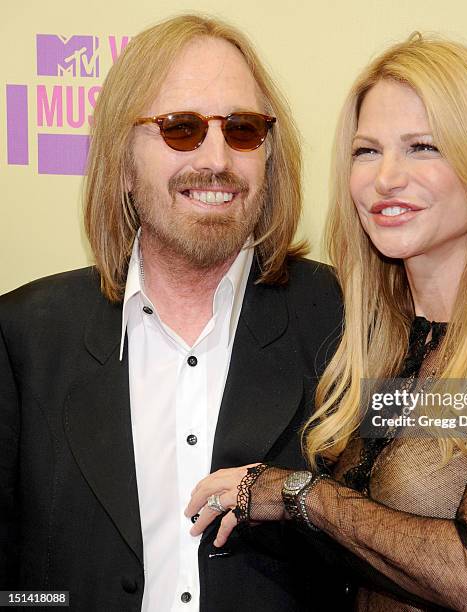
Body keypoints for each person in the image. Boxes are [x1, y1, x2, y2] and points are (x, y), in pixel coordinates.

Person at [186, 33, 467, 611]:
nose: (386, 178)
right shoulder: (364, 333)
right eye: (367, 151)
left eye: (423, 147)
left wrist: (295, 494)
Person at [0, 14, 351, 612]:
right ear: (123, 161)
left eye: (242, 129)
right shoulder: (26, 334)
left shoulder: (344, 321)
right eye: (181, 129)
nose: (217, 158)